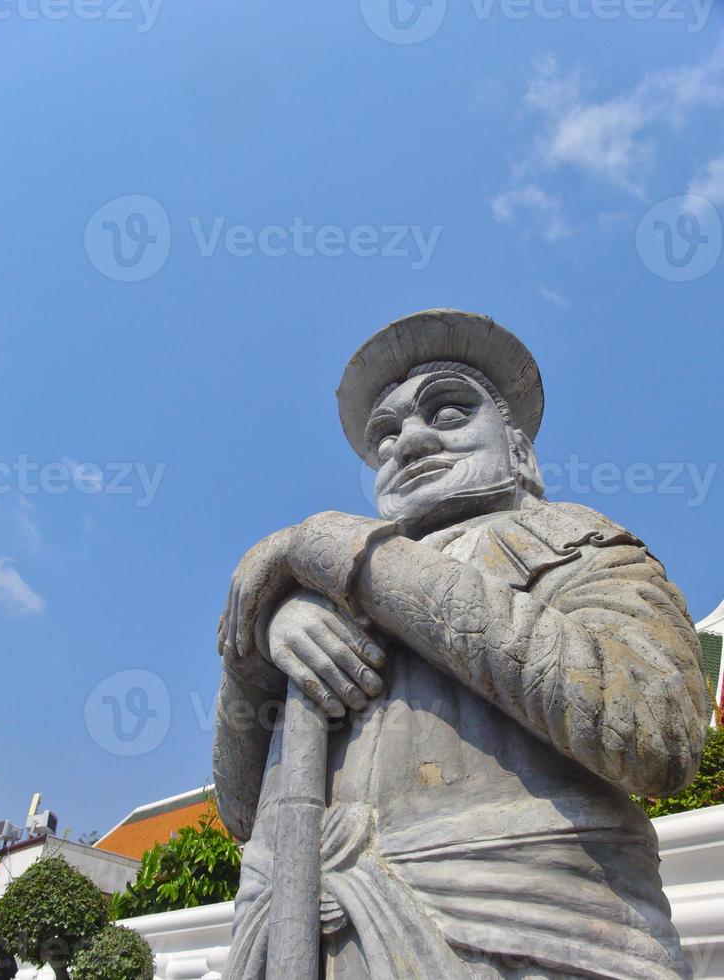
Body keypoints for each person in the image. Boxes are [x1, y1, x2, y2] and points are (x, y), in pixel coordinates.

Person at [215, 309, 708, 979]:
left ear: (521, 450)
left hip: (530, 930)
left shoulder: (575, 542)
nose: (407, 444)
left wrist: (351, 555)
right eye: (384, 435)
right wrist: (256, 652)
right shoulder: (317, 598)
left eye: (446, 413)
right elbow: (243, 815)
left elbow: (654, 733)